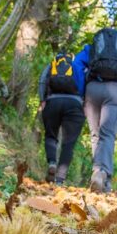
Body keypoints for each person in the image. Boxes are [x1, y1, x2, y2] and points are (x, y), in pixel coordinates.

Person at [73, 28, 117, 192]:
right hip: (116, 91)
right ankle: (101, 172)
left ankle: (104, 181)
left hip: (92, 90)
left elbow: (76, 65)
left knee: (96, 135)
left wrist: (82, 91)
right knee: (108, 135)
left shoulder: (91, 50)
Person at [38, 52, 85, 185]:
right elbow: (84, 82)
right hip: (74, 104)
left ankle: (52, 163)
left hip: (52, 101)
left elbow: (42, 81)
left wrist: (42, 100)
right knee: (68, 143)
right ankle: (60, 178)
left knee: (51, 136)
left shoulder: (52, 65)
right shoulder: (77, 65)